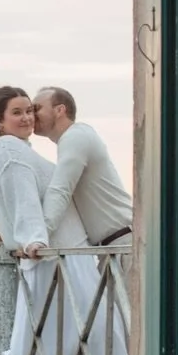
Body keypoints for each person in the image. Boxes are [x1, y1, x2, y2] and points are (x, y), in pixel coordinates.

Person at [0, 86, 101, 355]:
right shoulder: (11, 152)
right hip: (54, 258)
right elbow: (26, 199)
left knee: (65, 339)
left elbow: (16, 199)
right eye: (17, 112)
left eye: (29, 110)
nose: (27, 117)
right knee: (70, 338)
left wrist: (10, 229)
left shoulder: (11, 150)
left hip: (59, 254)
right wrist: (31, 238)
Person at [32, 87, 132, 247]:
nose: (30, 115)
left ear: (60, 110)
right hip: (112, 245)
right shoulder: (75, 138)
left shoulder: (75, 137)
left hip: (122, 243)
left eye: (36, 108)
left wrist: (36, 236)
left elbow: (60, 190)